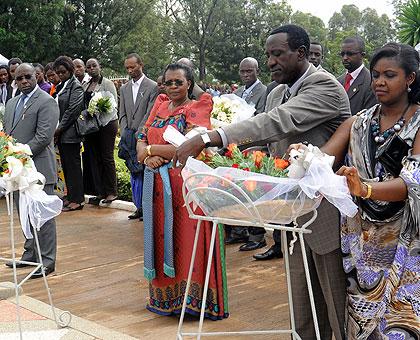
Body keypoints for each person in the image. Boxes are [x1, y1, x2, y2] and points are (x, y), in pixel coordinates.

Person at [175, 24, 351, 340]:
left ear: (300, 53)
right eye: (268, 54)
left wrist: (210, 137)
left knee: (336, 304)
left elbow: (277, 122)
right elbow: (269, 142)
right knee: (303, 307)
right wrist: (227, 159)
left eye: (277, 54)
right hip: (292, 214)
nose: (270, 61)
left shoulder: (324, 87)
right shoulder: (278, 92)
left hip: (325, 215)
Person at [137, 62, 228, 319]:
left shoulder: (198, 107)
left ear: (189, 83)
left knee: (188, 239)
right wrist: (145, 156)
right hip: (157, 185)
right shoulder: (160, 104)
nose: (174, 86)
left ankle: (194, 301)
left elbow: (187, 148)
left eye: (179, 82)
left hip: (186, 186)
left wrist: (151, 152)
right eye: (169, 82)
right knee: (161, 235)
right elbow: (141, 137)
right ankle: (167, 299)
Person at [2, 63, 59, 278]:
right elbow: (7, 134)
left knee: (42, 215)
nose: (24, 81)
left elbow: (44, 137)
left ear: (36, 76)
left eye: (28, 77)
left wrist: (19, 154)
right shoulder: (12, 102)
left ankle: (47, 260)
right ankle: (30, 255)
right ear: (14, 80)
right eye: (19, 78)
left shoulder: (46, 102)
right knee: (25, 213)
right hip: (17, 171)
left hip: (39, 170)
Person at [227, 57, 268, 251]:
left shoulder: (265, 92)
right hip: (237, 148)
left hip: (254, 148)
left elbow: (263, 118)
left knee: (253, 191)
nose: (245, 75)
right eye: (243, 72)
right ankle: (239, 230)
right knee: (237, 190)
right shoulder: (236, 93)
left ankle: (257, 235)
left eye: (249, 71)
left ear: (257, 71)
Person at [118, 53, 158, 219]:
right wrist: (125, 129)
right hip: (128, 135)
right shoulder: (124, 88)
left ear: (141, 65)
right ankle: (138, 206)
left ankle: (147, 208)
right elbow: (122, 112)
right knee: (133, 171)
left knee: (144, 171)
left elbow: (150, 112)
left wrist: (140, 132)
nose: (130, 70)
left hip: (143, 137)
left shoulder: (153, 86)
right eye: (127, 68)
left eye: (133, 67)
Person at [82, 58, 119, 204]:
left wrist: (99, 111)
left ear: (100, 67)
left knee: (107, 157)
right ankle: (100, 191)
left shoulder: (107, 84)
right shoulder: (86, 84)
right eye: (88, 67)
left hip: (107, 124)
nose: (91, 68)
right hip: (92, 126)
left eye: (94, 66)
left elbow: (113, 104)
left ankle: (112, 191)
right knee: (95, 158)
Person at [53, 55, 85, 211]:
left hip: (70, 133)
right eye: (58, 72)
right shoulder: (62, 86)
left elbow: (72, 111)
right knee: (66, 166)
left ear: (70, 70)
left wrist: (58, 129)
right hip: (62, 134)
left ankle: (78, 199)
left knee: (73, 167)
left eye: (63, 72)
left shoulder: (76, 86)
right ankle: (71, 195)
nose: (60, 75)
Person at [338, 36, 377, 115]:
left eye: (350, 54)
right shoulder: (337, 81)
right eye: (342, 54)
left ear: (362, 55)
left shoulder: (372, 82)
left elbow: (369, 115)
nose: (345, 58)